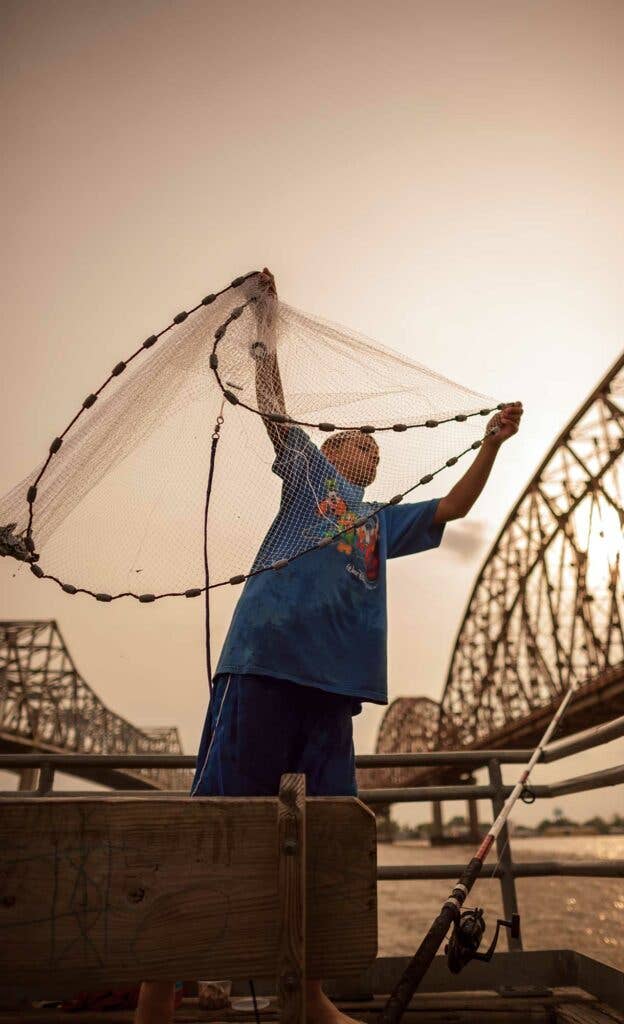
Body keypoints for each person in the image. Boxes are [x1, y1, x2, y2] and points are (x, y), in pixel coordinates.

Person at [134, 269, 523, 1024]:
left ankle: (309, 998)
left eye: (374, 449)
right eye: (356, 440)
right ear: (330, 449)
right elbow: (274, 412)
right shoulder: (307, 476)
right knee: (217, 823)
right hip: (266, 668)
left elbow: (454, 504)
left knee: (324, 838)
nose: (367, 449)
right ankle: (156, 999)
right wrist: (264, 335)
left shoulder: (380, 522)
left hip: (332, 693)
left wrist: (492, 445)